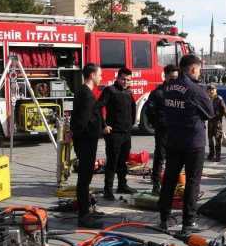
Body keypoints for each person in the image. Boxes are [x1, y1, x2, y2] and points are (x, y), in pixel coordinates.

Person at [159, 55, 213, 234]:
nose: (199, 73)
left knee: (169, 179)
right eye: (198, 70)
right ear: (192, 69)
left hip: (173, 140)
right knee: (192, 182)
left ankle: (164, 218)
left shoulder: (168, 87)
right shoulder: (195, 89)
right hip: (193, 143)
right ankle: (188, 222)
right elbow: (210, 113)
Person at [70, 64, 104, 228]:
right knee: (84, 179)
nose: (101, 77)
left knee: (85, 178)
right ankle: (84, 215)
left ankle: (87, 209)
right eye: (100, 75)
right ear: (92, 75)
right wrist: (77, 136)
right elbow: (82, 121)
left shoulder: (83, 92)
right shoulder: (87, 95)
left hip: (84, 141)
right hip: (86, 142)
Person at [99, 67, 137, 200]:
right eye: (123, 79)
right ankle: (107, 190)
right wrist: (104, 125)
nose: (125, 82)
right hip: (114, 133)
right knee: (112, 162)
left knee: (123, 161)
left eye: (128, 80)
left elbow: (133, 108)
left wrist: (131, 124)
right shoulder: (110, 90)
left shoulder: (128, 92)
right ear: (117, 78)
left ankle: (122, 185)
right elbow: (98, 107)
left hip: (126, 133)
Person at [146, 64, 179, 195]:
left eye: (176, 78)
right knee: (160, 157)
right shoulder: (158, 93)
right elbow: (149, 111)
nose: (174, 81)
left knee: (175, 158)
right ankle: (156, 184)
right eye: (171, 78)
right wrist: (158, 124)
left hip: (177, 131)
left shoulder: (180, 93)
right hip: (163, 131)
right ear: (164, 77)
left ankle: (171, 183)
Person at [206, 84, 226, 162]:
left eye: (213, 89)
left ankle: (218, 155)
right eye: (209, 90)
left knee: (217, 140)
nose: (211, 91)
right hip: (210, 122)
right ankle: (211, 154)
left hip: (217, 123)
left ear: (216, 90)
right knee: (210, 139)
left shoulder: (219, 99)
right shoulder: (207, 99)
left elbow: (225, 111)